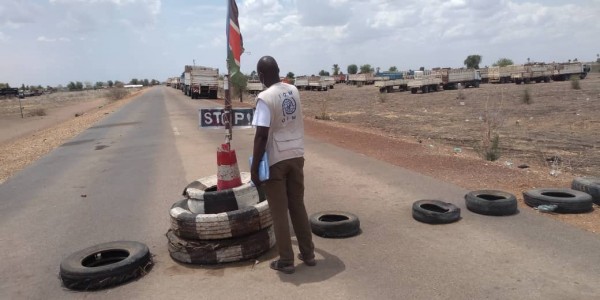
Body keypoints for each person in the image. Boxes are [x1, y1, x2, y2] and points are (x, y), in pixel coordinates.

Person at [251, 56, 315, 274]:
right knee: (297, 205)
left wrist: (254, 169)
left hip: (276, 160)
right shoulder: (293, 90)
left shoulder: (264, 98)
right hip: (297, 155)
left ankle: (286, 261)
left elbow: (261, 136)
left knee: (279, 212)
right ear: (278, 70)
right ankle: (308, 254)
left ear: (260, 76)